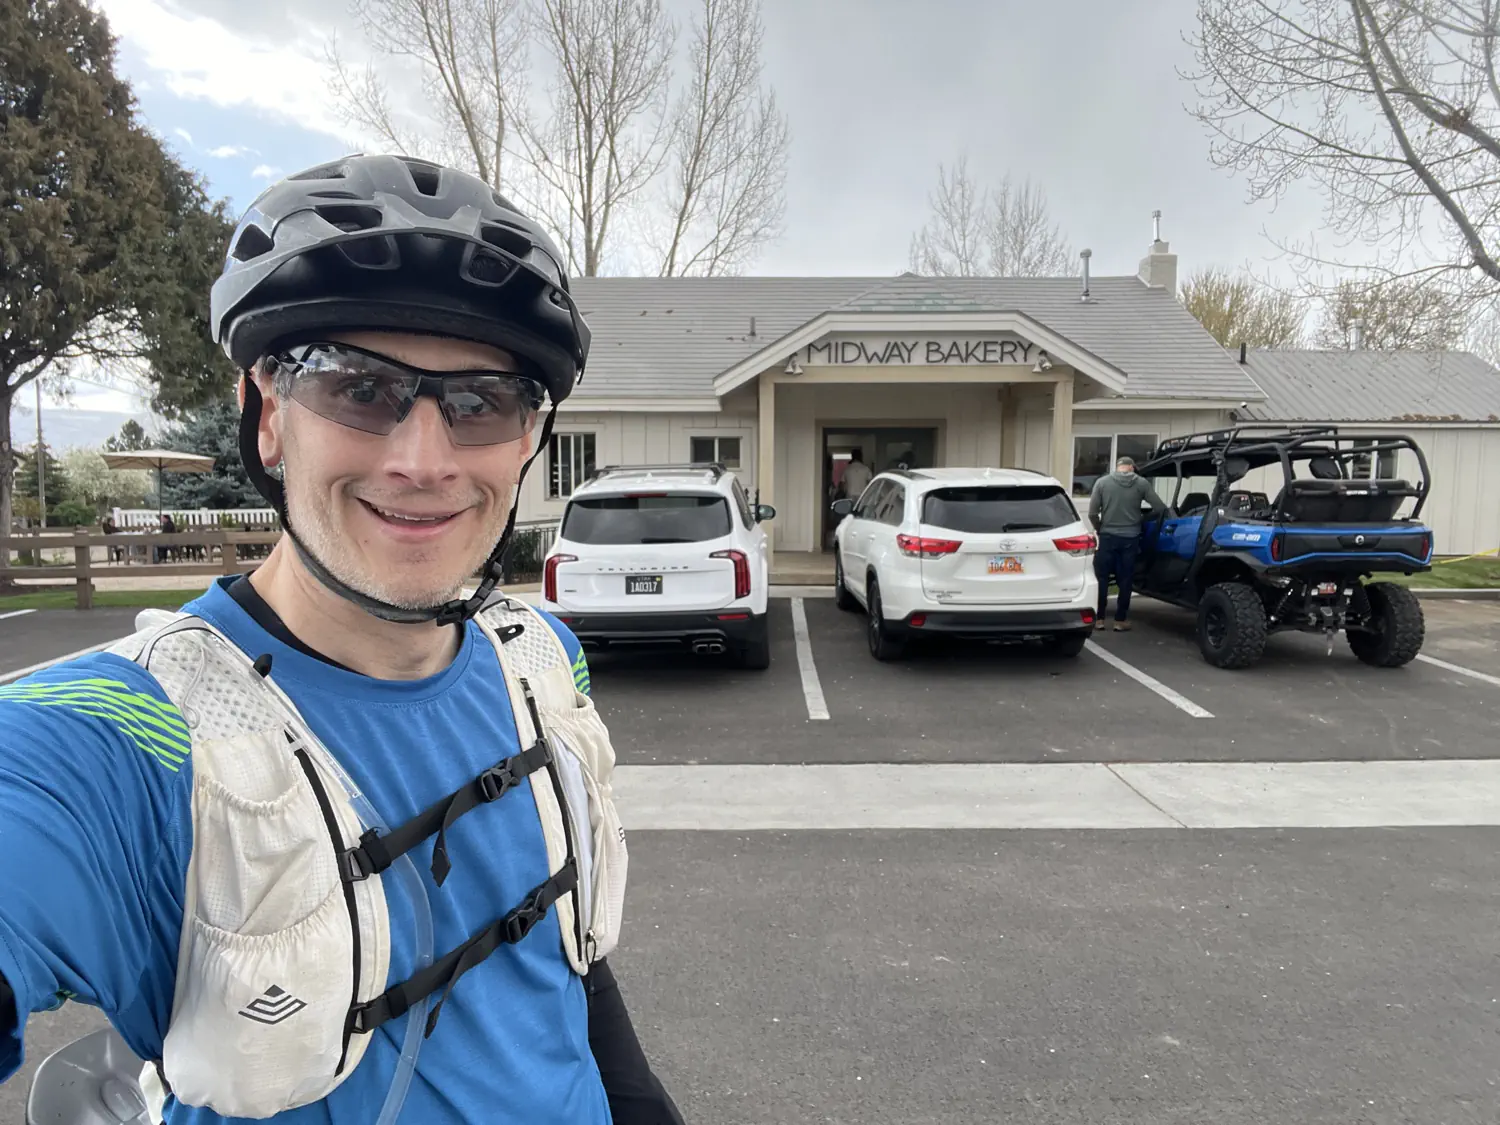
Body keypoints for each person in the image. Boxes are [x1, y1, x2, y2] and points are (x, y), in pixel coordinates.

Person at [0, 155, 683, 1125]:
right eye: (359, 389)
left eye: (480, 400)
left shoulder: (539, 658)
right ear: (269, 418)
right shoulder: (135, 735)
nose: (422, 460)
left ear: (528, 436)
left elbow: (567, 965)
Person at [1087, 454, 1166, 631]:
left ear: (1118, 467)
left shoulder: (1102, 483)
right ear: (1131, 467)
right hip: (1131, 538)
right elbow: (1160, 508)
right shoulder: (1141, 483)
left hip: (1107, 536)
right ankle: (1120, 620)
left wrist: (1100, 527)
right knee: (1125, 579)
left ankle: (1099, 619)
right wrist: (1142, 519)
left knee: (1102, 578)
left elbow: (1092, 513)